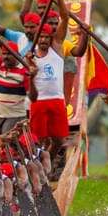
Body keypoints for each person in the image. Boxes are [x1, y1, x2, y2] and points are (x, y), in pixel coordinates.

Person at [28, 23, 70, 153]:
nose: (43, 40)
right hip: (39, 101)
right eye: (40, 37)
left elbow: (65, 18)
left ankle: (48, 163)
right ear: (36, 37)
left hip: (57, 100)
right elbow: (32, 95)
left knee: (59, 140)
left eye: (46, 37)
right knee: (39, 140)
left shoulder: (57, 49)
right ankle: (41, 166)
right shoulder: (30, 56)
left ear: (51, 38)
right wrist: (31, 75)